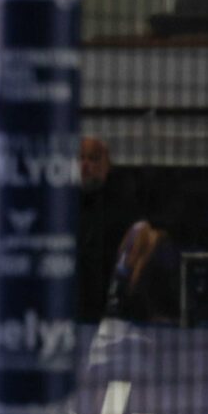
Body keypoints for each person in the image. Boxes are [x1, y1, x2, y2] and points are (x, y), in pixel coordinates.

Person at [77, 136, 141, 322]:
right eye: (81, 158)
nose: (85, 165)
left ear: (107, 165)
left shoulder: (122, 203)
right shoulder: (63, 205)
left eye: (93, 159)